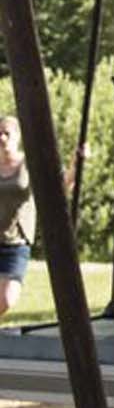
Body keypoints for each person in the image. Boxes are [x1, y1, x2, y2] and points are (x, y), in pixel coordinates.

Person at [1, 116, 32, 324]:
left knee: (7, 299)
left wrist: (78, 163)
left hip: (16, 243)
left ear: (18, 137)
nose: (2, 138)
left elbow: (61, 185)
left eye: (6, 133)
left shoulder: (30, 163)